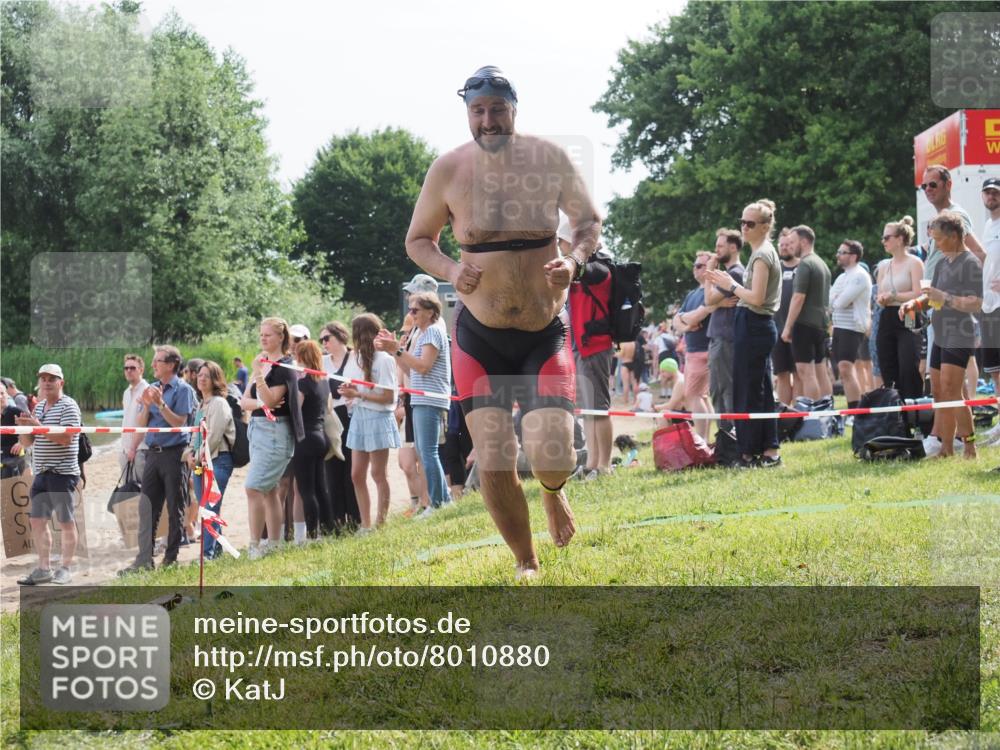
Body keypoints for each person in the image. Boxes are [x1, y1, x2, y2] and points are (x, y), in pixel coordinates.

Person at [405, 65, 600, 576]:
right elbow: (418, 240)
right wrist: (450, 268)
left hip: (542, 332)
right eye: (477, 111)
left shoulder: (549, 159)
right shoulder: (448, 169)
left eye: (497, 109)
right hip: (480, 336)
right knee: (493, 458)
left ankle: (554, 493)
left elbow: (588, 223)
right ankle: (526, 562)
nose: (488, 121)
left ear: (515, 108)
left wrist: (575, 262)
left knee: (552, 455)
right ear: (467, 113)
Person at [900, 211, 982, 459]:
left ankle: (969, 446)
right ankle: (946, 448)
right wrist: (914, 304)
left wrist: (943, 297)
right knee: (938, 390)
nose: (935, 244)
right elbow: (932, 296)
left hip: (961, 332)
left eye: (938, 239)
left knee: (953, 389)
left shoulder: (970, 263)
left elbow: (975, 303)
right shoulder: (943, 263)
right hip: (941, 332)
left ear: (955, 236)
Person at [706, 199, 782, 467]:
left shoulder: (762, 254)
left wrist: (731, 285)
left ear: (764, 226)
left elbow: (758, 298)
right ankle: (766, 450)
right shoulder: (760, 252)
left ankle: (752, 452)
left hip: (755, 323)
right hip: (753, 324)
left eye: (750, 223)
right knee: (758, 390)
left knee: (749, 392)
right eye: (742, 222)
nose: (744, 227)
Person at [118, 346, 196, 574]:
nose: (153, 365)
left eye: (158, 361)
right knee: (146, 508)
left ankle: (170, 560)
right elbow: (142, 424)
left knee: (175, 507)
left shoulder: (183, 390)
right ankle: (143, 561)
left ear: (171, 365)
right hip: (152, 452)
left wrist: (160, 404)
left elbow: (179, 423)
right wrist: (148, 405)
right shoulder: (152, 388)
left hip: (174, 454)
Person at [376, 292, 452, 515]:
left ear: (430, 311)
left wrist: (397, 350)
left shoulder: (433, 332)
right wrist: (394, 351)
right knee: (424, 450)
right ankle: (442, 499)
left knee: (428, 451)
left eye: (415, 310)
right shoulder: (423, 334)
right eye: (409, 309)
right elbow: (411, 370)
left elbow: (423, 367)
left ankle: (439, 503)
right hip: (420, 397)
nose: (411, 314)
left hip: (430, 397)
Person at [15, 365, 81, 585]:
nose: (46, 382)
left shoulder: (69, 405)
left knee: (65, 522)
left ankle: (66, 568)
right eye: (43, 378)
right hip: (41, 472)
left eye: (52, 379)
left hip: (62, 473)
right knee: (37, 521)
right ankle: (44, 568)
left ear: (61, 382)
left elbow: (66, 439)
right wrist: (23, 430)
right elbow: (29, 443)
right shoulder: (40, 406)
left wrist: (36, 425)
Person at [241, 318, 296, 559]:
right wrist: (262, 402)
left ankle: (255, 544)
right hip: (257, 429)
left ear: (281, 337)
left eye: (268, 335)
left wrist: (258, 376)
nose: (263, 339)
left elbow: (273, 401)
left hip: (276, 432)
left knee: (253, 487)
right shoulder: (262, 362)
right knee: (270, 490)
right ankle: (274, 543)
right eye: (261, 334)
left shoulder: (285, 366)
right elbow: (244, 402)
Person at [564, 216, 614, 480]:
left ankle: (603, 465)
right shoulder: (583, 268)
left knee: (599, 407)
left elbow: (581, 271)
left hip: (595, 345)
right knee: (589, 409)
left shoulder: (599, 267)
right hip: (580, 347)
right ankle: (593, 462)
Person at [340, 313, 399, 531]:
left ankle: (380, 522)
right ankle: (365, 525)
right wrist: (349, 392)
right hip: (360, 416)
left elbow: (389, 397)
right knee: (356, 474)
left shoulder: (384, 360)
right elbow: (354, 388)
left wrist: (359, 395)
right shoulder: (355, 358)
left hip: (378, 417)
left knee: (378, 473)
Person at [671, 251, 728, 440]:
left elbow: (699, 314)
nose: (695, 269)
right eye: (695, 265)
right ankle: (709, 438)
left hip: (705, 348)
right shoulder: (692, 294)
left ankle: (702, 440)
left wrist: (688, 319)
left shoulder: (713, 290)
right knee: (701, 397)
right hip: (694, 350)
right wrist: (688, 322)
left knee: (693, 395)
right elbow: (676, 322)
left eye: (700, 265)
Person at [186, 361, 236, 560]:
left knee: (210, 508)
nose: (202, 378)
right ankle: (216, 552)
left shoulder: (218, 403)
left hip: (218, 461)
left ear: (215, 379)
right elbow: (195, 435)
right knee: (205, 507)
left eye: (207, 375)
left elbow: (214, 437)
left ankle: (206, 555)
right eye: (200, 375)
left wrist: (196, 457)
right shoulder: (201, 404)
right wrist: (189, 454)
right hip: (199, 464)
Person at [875, 217, 924, 399]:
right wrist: (881, 299)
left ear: (901, 239)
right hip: (888, 315)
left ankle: (915, 411)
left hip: (909, 312)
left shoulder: (914, 262)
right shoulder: (884, 266)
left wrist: (894, 296)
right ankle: (895, 414)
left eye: (887, 237)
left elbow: (919, 294)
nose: (883, 241)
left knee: (908, 365)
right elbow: (880, 293)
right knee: (887, 365)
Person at [781, 225, 832, 400]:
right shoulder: (822, 264)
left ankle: (814, 417)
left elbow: (798, 298)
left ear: (804, 241)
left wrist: (787, 327)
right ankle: (827, 414)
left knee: (806, 372)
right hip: (820, 325)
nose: (791, 246)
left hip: (804, 325)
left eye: (793, 242)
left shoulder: (805, 264)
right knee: (821, 371)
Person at [704, 228, 745, 431]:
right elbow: (711, 304)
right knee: (717, 390)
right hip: (719, 337)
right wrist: (717, 304)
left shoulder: (735, 273)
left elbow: (708, 299)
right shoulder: (727, 274)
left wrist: (708, 274)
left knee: (726, 389)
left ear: (733, 247)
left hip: (726, 338)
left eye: (720, 246)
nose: (716, 250)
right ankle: (725, 435)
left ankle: (731, 435)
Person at [320, 321, 361, 530]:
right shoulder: (322, 362)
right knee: (332, 471)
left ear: (341, 336)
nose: (324, 343)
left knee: (352, 472)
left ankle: (355, 519)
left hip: (351, 417)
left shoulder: (355, 359)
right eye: (322, 340)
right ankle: (336, 521)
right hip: (330, 418)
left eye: (327, 338)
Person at [290, 340, 332, 539]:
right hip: (321, 436)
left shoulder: (303, 383)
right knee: (320, 487)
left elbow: (296, 411)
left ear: (300, 357)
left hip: (306, 439)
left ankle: (312, 534)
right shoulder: (323, 381)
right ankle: (328, 529)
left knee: (306, 490)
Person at [394, 312, 432, 516]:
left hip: (415, 405)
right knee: (406, 464)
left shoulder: (418, 348)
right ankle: (416, 502)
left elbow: (412, 374)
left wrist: (400, 352)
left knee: (421, 458)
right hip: (406, 408)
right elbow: (400, 380)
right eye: (404, 332)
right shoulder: (404, 350)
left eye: (409, 332)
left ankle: (426, 502)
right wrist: (397, 351)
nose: (405, 335)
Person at [830, 240, 872, 409]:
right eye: (839, 251)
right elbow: (831, 300)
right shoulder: (842, 277)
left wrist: (838, 299)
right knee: (843, 369)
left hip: (852, 327)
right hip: (839, 326)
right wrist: (838, 299)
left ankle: (856, 411)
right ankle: (853, 408)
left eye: (842, 252)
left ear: (853, 256)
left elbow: (841, 302)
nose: (838, 255)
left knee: (847, 367)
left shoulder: (860, 275)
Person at [978, 178, 1000, 448]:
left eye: (995, 192)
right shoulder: (986, 225)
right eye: (988, 192)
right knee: (995, 372)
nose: (991, 196)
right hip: (988, 304)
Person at [771, 229, 801, 405]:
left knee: (798, 373)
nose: (785, 248)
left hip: (798, 329)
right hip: (776, 328)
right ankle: (784, 416)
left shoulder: (803, 267)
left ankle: (798, 413)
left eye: (788, 244)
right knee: (782, 373)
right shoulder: (775, 270)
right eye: (781, 245)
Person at [119, 353, 149, 479]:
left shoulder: (147, 390)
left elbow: (143, 423)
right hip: (125, 449)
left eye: (132, 368)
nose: (129, 371)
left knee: (141, 491)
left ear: (141, 370)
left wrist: (133, 448)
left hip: (140, 449)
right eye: (126, 368)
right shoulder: (126, 392)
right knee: (127, 492)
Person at [1, 388, 27, 479]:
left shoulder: (16, 411)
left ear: (7, 395)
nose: (0, 397)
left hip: (14, 458)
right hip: (1, 456)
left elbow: (32, 430)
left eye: (2, 393)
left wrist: (21, 443)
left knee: (12, 489)